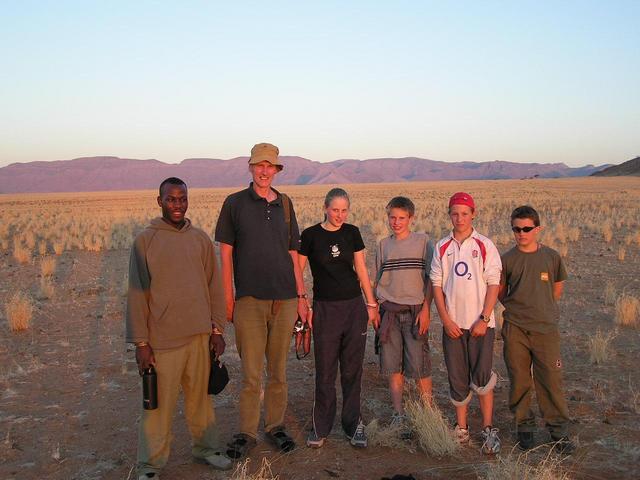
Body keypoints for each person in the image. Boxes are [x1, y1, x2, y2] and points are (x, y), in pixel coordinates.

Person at [126, 177, 231, 479]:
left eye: (182, 198)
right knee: (157, 409)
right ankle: (150, 465)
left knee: (201, 402)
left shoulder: (199, 239)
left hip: (199, 337)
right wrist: (141, 343)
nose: (177, 204)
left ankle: (207, 449)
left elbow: (214, 286)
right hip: (162, 342)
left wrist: (217, 330)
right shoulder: (145, 241)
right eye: (171, 199)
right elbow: (137, 294)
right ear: (159, 201)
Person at [215, 143, 309, 459]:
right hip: (250, 301)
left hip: (283, 299)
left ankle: (275, 426)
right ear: (251, 167)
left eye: (271, 166)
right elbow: (225, 253)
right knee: (252, 372)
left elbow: (293, 253)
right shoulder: (234, 204)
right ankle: (245, 432)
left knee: (279, 371)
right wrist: (228, 297)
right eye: (260, 165)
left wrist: (301, 296)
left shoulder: (285, 204)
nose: (265, 171)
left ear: (277, 170)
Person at [298, 188, 378, 449]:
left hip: (353, 307)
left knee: (353, 370)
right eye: (335, 210)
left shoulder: (352, 232)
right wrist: (304, 304)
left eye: (344, 210)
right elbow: (297, 273)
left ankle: (354, 425)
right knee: (325, 370)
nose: (339, 215)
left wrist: (371, 303)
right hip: (324, 310)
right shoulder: (310, 235)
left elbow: (361, 269)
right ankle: (320, 426)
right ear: (325, 207)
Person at [429, 192, 502, 454]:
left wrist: (484, 318)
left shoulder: (484, 245)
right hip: (454, 326)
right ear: (449, 214)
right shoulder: (441, 247)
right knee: (457, 377)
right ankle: (461, 428)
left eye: (464, 213)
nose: (459, 218)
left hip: (480, 325)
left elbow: (494, 282)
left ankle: (488, 428)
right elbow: (436, 284)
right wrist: (446, 319)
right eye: (454, 213)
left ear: (474, 214)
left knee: (482, 377)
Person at [498, 205, 574, 453]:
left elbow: (557, 288)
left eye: (527, 229)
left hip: (545, 330)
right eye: (516, 229)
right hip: (515, 329)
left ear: (537, 229)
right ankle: (525, 427)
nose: (521, 233)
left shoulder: (551, 257)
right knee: (519, 380)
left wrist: (541, 309)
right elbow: (500, 291)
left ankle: (559, 431)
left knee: (550, 380)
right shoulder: (507, 259)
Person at [374, 196, 434, 439]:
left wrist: (427, 308)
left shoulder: (423, 242)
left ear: (411, 218)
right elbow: (377, 278)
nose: (396, 222)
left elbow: (432, 278)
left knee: (420, 364)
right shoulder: (382, 245)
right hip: (389, 312)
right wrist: (376, 306)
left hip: (415, 312)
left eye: (401, 218)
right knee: (393, 365)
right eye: (392, 217)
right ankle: (398, 413)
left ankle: (428, 412)